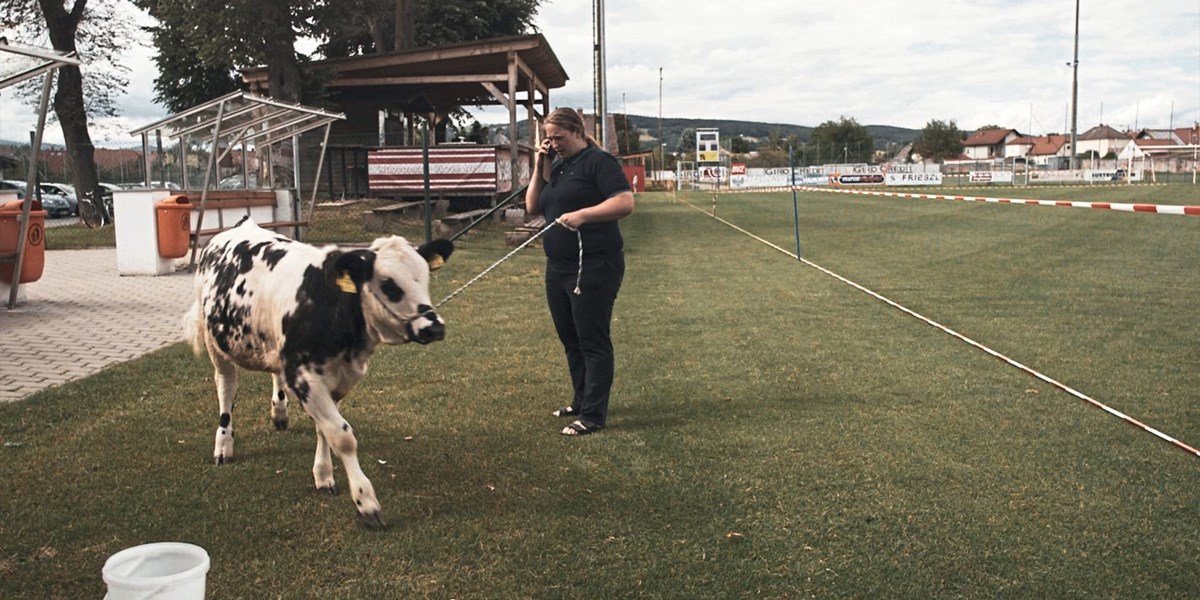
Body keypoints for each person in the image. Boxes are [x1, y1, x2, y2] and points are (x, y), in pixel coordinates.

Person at [524, 108, 635, 436]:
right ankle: (581, 398)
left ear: (577, 132)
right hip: (558, 267)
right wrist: (539, 164)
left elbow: (625, 203)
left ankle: (593, 414)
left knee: (592, 339)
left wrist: (583, 215)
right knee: (570, 337)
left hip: (594, 265)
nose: (553, 143)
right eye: (549, 138)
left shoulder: (599, 162)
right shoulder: (558, 166)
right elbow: (533, 206)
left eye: (559, 137)